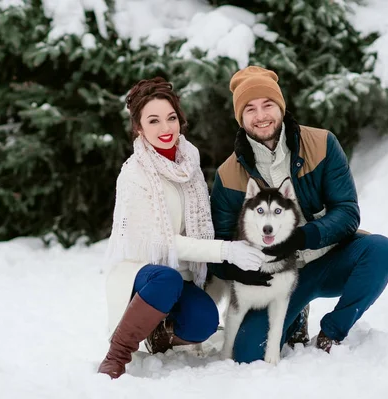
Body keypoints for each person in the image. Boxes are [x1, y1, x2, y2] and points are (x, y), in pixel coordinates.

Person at [209, 66, 388, 362]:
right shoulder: (228, 174)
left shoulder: (322, 144)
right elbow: (220, 248)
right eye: (250, 109)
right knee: (247, 355)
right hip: (274, 278)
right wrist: (245, 270)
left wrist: (301, 237)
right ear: (240, 118)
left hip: (328, 260)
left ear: (281, 107)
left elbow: (347, 212)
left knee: (380, 251)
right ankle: (294, 316)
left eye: (268, 104)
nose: (261, 116)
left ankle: (332, 333)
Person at [98, 77, 269, 379]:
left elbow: (203, 221)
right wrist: (226, 251)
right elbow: (165, 243)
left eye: (171, 117)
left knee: (202, 322)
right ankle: (117, 354)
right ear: (138, 127)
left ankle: (159, 334)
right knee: (166, 280)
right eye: (153, 121)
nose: (166, 128)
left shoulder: (189, 161)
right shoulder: (134, 174)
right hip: (144, 272)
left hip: (183, 274)